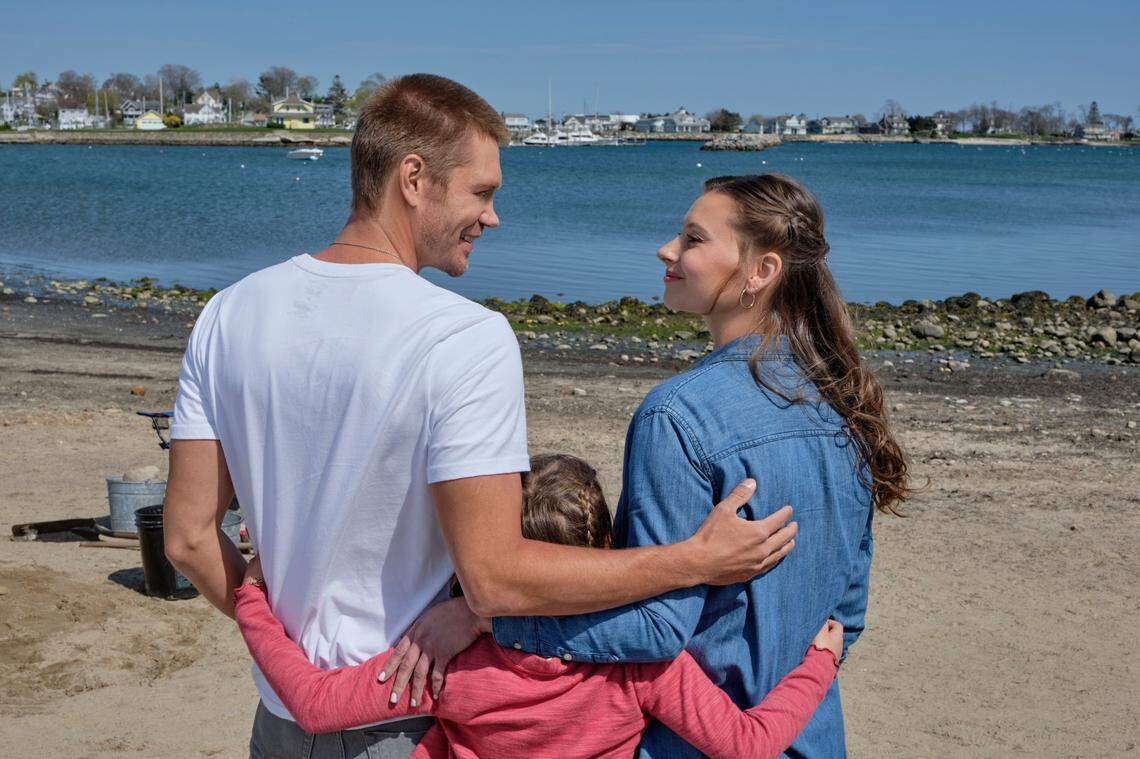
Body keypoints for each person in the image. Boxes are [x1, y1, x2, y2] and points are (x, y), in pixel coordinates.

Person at [163, 75, 796, 759]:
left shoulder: (227, 314)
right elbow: (497, 578)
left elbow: (190, 539)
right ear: (414, 178)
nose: (492, 217)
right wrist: (689, 561)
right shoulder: (464, 337)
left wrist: (276, 636)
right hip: (407, 718)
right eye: (482, 192)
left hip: (282, 713)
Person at [484, 174, 912, 758]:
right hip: (811, 737)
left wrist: (492, 623)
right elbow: (843, 622)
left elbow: (657, 629)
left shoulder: (677, 417)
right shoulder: (843, 401)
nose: (667, 250)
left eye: (692, 238)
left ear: (760, 271)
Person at [233, 454, 844, 758]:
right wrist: (819, 663)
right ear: (605, 551)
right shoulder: (643, 664)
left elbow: (315, 706)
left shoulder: (446, 662)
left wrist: (252, 598)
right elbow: (748, 744)